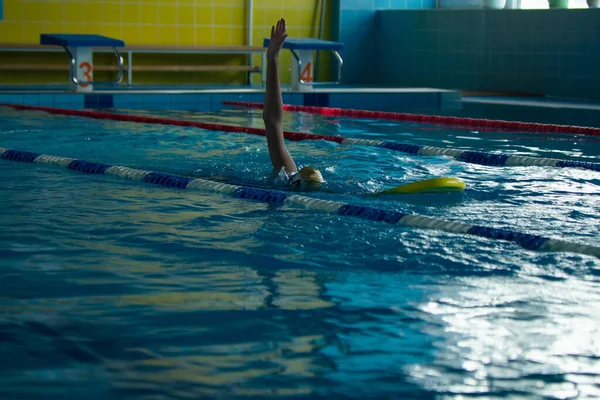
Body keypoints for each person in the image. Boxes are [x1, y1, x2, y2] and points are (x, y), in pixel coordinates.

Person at [263, 18, 325, 191]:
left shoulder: (287, 176)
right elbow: (272, 120)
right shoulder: (287, 176)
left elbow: (272, 120)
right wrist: (272, 58)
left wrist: (272, 58)